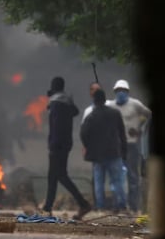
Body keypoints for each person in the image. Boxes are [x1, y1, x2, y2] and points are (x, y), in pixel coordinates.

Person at [41, 76, 92, 219]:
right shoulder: (66, 101)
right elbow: (75, 111)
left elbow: (56, 126)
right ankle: (48, 208)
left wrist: (52, 144)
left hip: (57, 144)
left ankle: (82, 204)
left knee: (58, 176)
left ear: (53, 87)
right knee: (57, 176)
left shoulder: (56, 103)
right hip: (67, 143)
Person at [81, 89, 128, 212]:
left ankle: (100, 206)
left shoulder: (91, 116)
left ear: (94, 100)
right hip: (114, 152)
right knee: (117, 181)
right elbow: (122, 133)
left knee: (99, 182)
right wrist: (124, 150)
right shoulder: (115, 113)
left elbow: (83, 133)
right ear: (104, 99)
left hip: (97, 155)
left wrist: (88, 146)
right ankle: (121, 205)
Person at [111, 79, 152, 213]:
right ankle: (119, 205)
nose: (120, 93)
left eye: (123, 91)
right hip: (117, 145)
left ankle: (134, 206)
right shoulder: (112, 106)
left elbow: (148, 114)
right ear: (115, 92)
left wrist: (140, 127)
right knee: (117, 175)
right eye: (118, 91)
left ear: (127, 92)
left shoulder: (135, 104)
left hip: (132, 144)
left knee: (133, 176)